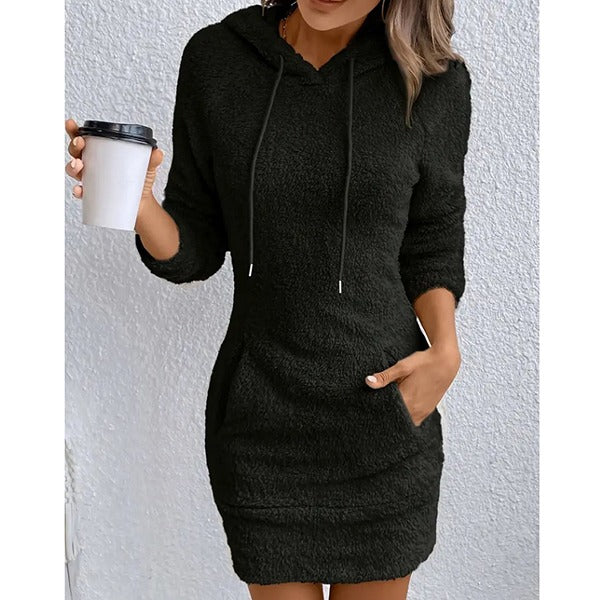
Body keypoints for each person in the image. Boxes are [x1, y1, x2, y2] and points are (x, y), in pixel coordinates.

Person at [65, 0, 472, 598]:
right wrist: (139, 202)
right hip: (262, 419)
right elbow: (195, 247)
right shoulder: (218, 60)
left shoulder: (431, 79)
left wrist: (445, 353)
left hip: (382, 412)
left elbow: (433, 235)